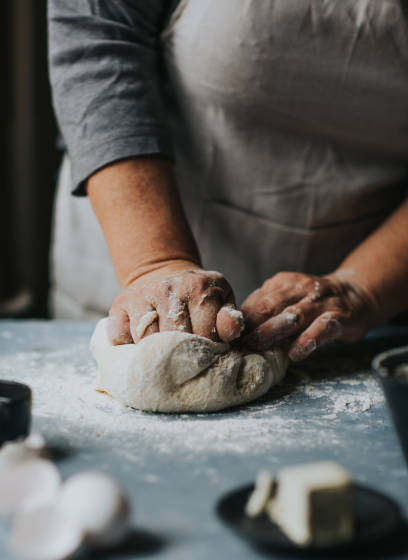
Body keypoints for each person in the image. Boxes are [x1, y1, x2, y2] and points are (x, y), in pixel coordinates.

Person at [48, 0, 408, 361]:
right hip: (137, 255)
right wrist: (156, 264)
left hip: (371, 311)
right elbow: (100, 43)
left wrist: (362, 288)